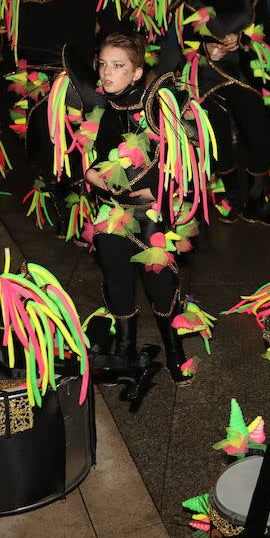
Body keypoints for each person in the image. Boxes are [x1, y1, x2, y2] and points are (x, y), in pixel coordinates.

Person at [77, 31, 201, 384]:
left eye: (118, 66)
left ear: (135, 73)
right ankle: (125, 351)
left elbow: (181, 156)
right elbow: (88, 154)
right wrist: (88, 172)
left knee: (161, 289)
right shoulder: (100, 107)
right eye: (102, 65)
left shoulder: (155, 108)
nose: (107, 73)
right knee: (117, 286)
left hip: (149, 218)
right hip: (109, 213)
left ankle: (176, 354)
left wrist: (154, 187)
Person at [173, 0, 270, 223]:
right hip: (207, 77)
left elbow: (269, 30)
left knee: (258, 138)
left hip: (244, 71)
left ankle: (256, 200)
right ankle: (232, 196)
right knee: (217, 141)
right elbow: (184, 37)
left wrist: (243, 40)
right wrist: (205, 48)